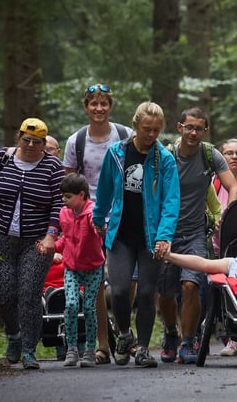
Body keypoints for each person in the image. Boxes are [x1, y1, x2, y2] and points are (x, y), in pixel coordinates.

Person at [0, 118, 64, 370]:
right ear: (18, 138)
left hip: (37, 241)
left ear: (44, 144)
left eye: (37, 142)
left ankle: (29, 350)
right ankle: (13, 334)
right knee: (2, 292)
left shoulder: (53, 166)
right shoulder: (2, 158)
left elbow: (58, 205)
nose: (30, 145)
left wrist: (51, 235)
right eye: (26, 140)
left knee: (29, 294)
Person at [92, 101, 180, 367]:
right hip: (120, 234)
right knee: (118, 290)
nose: (151, 135)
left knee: (146, 293)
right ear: (135, 125)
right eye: (146, 129)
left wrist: (164, 236)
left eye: (156, 130)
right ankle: (123, 335)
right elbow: (104, 189)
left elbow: (170, 201)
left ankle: (142, 348)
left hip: (151, 237)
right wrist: (98, 218)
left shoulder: (164, 159)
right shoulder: (117, 153)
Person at [157, 107, 237, 364]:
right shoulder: (165, 155)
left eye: (199, 128)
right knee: (166, 292)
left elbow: (233, 185)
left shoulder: (209, 154)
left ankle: (188, 340)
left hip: (195, 233)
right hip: (166, 232)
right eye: (188, 127)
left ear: (205, 131)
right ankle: (171, 333)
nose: (193, 132)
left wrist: (225, 215)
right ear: (179, 127)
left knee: (191, 285)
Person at [63, 83, 134, 365]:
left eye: (104, 103)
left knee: (127, 281)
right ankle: (103, 345)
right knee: (96, 282)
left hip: (123, 215)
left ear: (111, 107)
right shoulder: (76, 141)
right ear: (86, 107)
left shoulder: (125, 136)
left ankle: (125, 332)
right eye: (93, 103)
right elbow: (68, 186)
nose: (99, 108)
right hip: (89, 219)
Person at [53, 173, 106, 368]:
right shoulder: (64, 214)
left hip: (92, 268)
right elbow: (64, 239)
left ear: (82, 195)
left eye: (67, 196)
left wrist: (101, 228)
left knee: (90, 307)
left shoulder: (93, 212)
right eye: (63, 196)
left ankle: (90, 350)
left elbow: (98, 228)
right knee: (72, 305)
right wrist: (51, 247)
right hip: (71, 268)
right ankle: (72, 348)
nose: (63, 200)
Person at [211, 138, 237, 357]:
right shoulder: (215, 181)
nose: (234, 157)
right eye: (229, 153)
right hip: (221, 245)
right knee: (226, 292)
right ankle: (231, 339)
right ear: (221, 156)